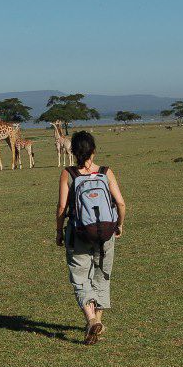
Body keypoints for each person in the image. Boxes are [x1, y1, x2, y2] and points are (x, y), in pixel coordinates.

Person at [56, 131, 126, 345]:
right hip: (106, 232)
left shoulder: (68, 173)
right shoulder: (106, 172)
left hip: (78, 233)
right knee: (102, 275)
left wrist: (59, 232)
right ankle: (98, 321)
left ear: (73, 152)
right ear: (94, 151)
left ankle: (91, 319)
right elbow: (121, 204)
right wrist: (119, 224)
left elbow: (61, 207)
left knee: (80, 278)